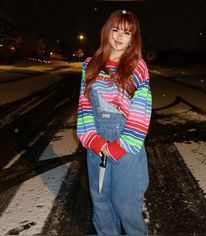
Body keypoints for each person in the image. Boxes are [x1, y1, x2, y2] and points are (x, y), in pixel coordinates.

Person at [77, 9, 152, 235]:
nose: (120, 36)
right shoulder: (90, 65)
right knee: (101, 204)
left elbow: (142, 110)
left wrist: (122, 145)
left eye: (127, 32)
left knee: (126, 205)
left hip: (127, 144)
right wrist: (93, 140)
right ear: (107, 31)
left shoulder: (137, 67)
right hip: (97, 143)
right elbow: (84, 105)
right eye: (116, 29)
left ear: (132, 39)